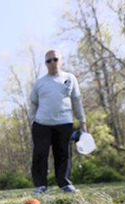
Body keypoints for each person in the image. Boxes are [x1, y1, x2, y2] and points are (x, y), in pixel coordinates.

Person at [29, 49, 86, 194]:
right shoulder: (39, 83)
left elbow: (76, 100)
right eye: (49, 60)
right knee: (40, 155)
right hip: (42, 124)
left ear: (60, 60)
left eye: (55, 59)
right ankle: (41, 185)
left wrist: (82, 120)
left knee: (63, 154)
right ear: (45, 64)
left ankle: (64, 183)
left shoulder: (70, 78)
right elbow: (33, 104)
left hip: (64, 123)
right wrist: (32, 121)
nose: (52, 63)